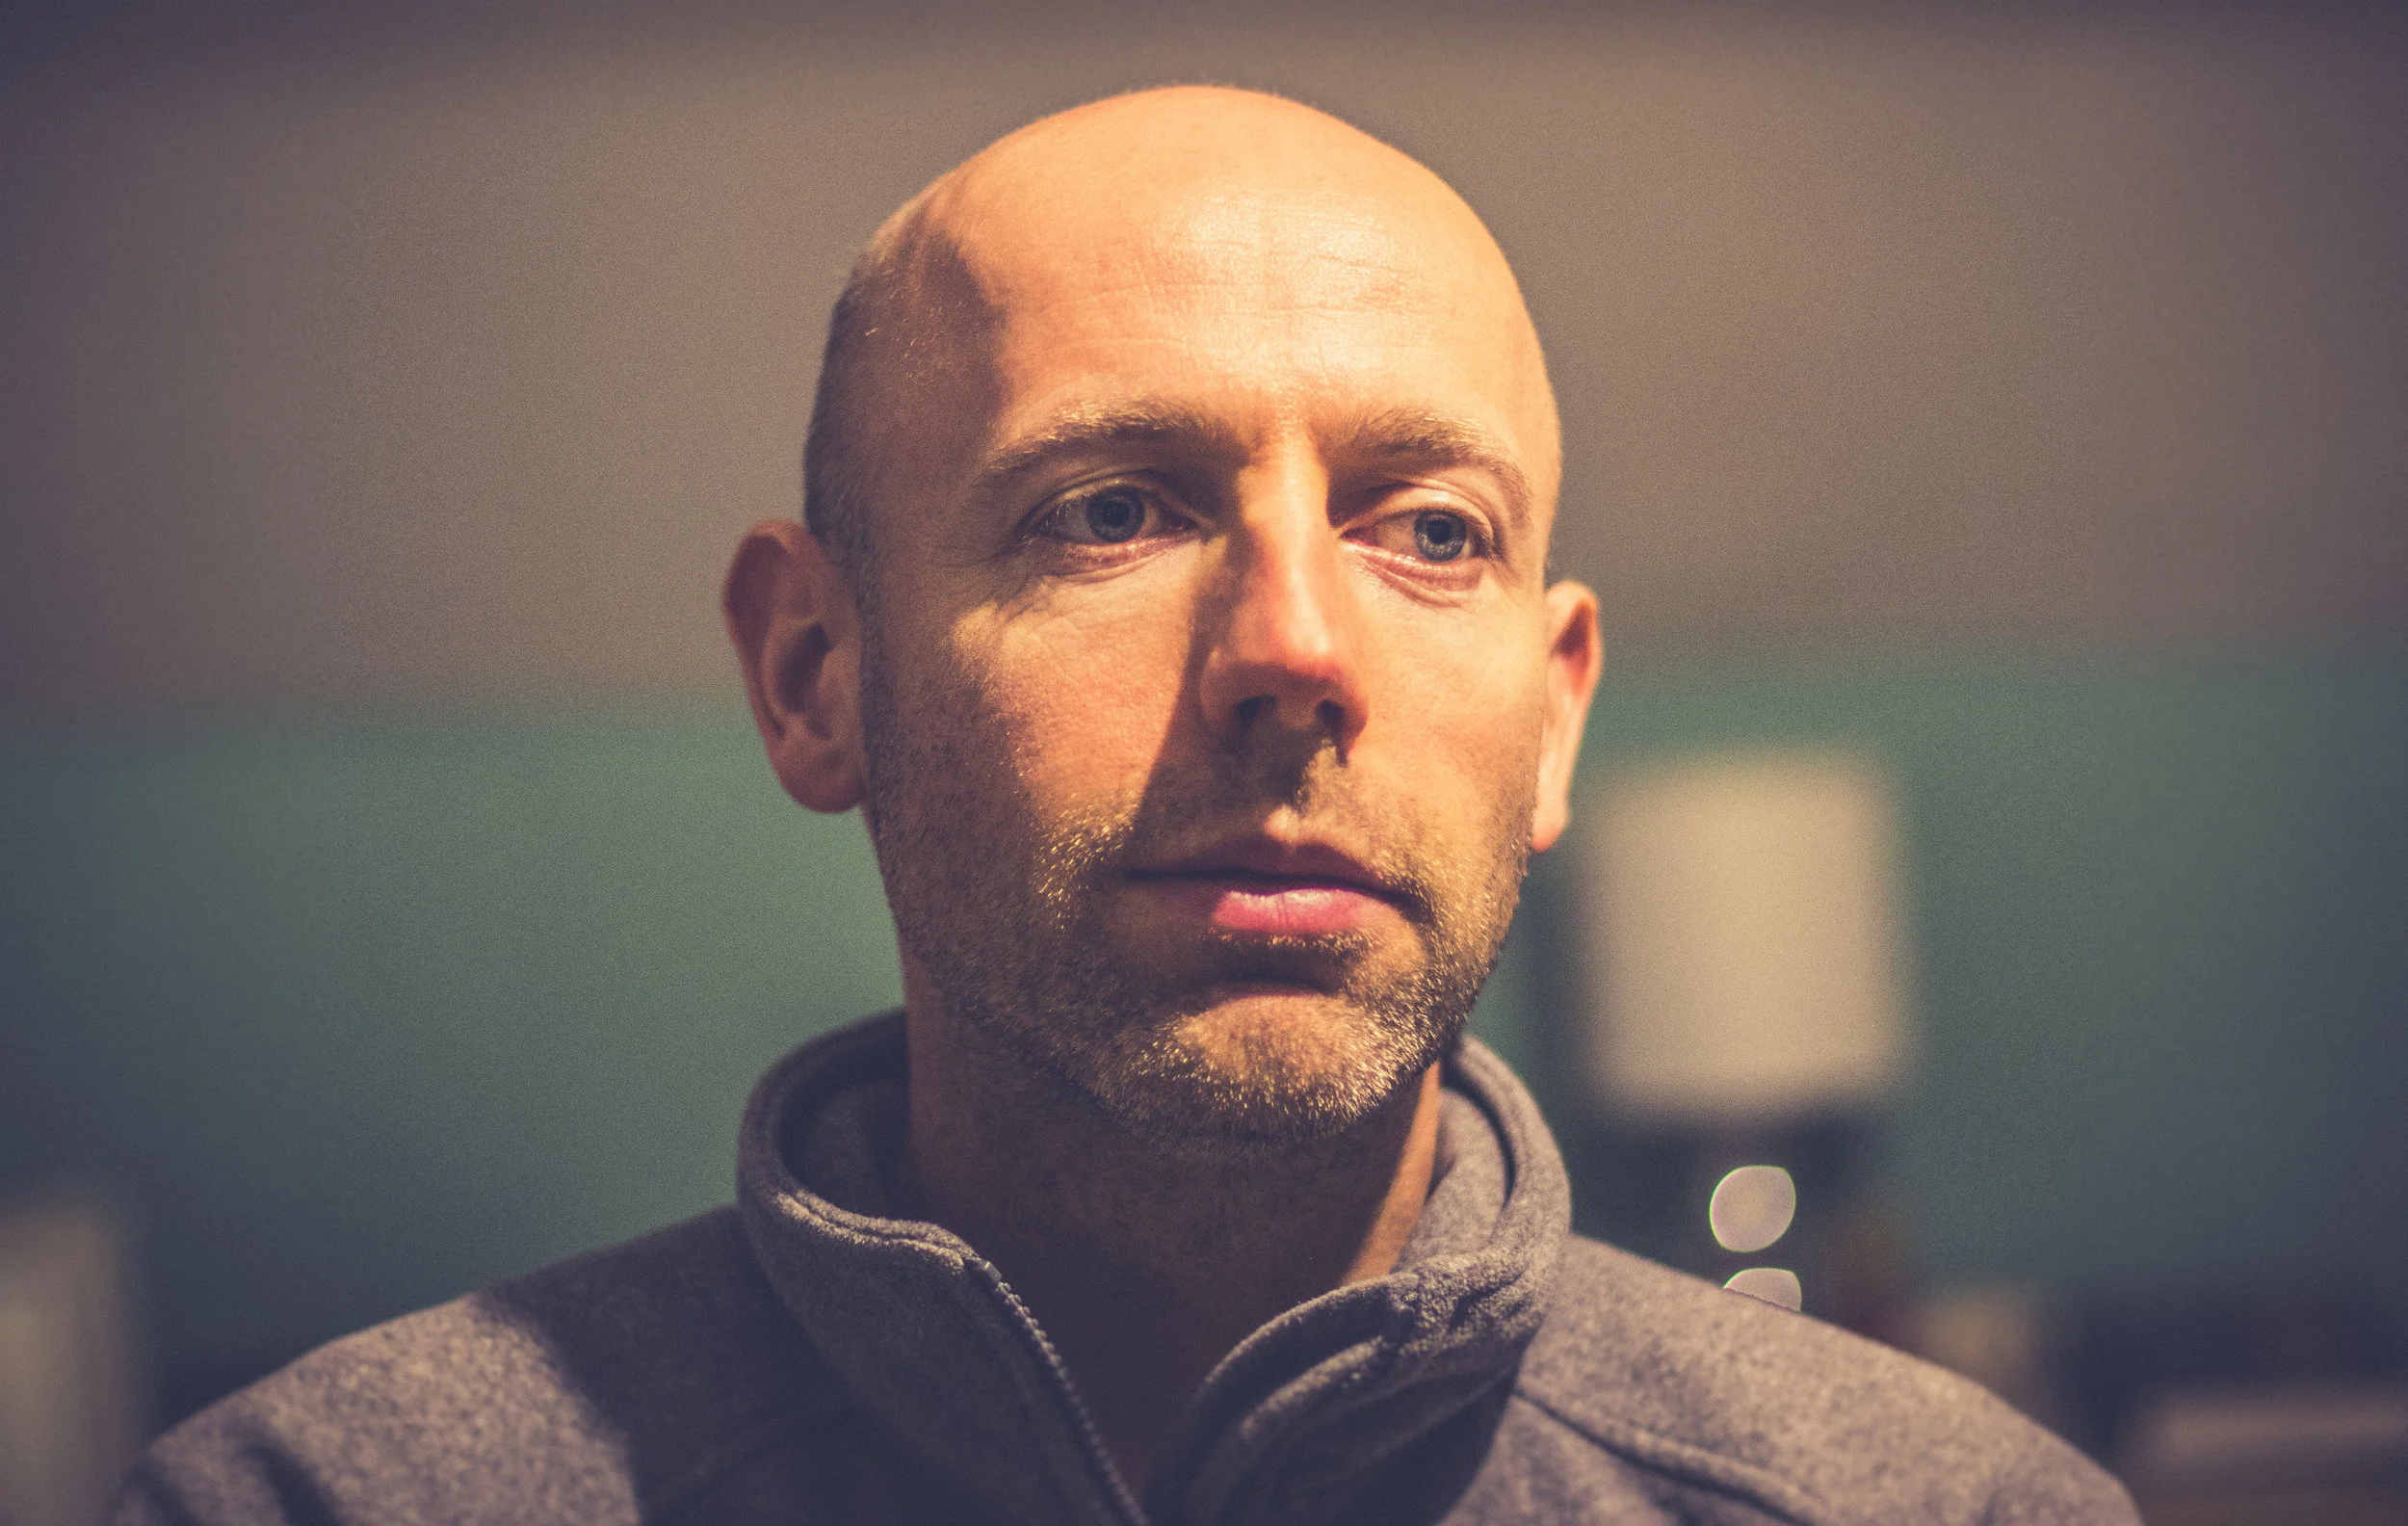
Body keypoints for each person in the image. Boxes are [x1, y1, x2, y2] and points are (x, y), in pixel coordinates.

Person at [113, 86, 2137, 1524]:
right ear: (813, 673)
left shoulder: (1949, 1512)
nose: (1294, 648)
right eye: (1109, 511)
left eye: (1430, 529)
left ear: (1550, 718)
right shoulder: (321, 1505)